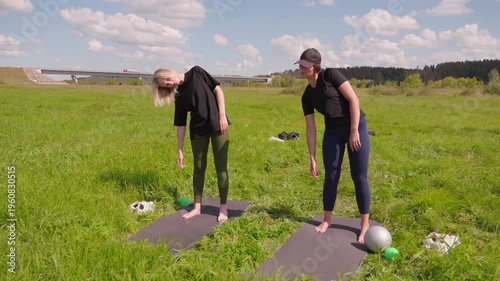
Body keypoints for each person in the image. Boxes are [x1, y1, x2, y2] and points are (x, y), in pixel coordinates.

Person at [295, 48, 371, 243]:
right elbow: (310, 128)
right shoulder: (306, 96)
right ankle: (327, 220)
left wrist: (354, 131)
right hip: (333, 132)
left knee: (359, 177)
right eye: (300, 65)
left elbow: (354, 99)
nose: (301, 68)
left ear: (316, 67)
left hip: (356, 126)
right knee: (331, 175)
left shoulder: (331, 75)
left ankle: (364, 225)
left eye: (305, 66)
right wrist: (312, 157)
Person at [152, 66, 230, 222]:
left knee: (221, 167)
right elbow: (180, 124)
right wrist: (180, 150)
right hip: (198, 132)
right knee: (198, 168)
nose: (170, 83)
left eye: (167, 79)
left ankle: (223, 209)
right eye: (166, 85)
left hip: (218, 126)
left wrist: (222, 116)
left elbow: (218, 90)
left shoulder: (197, 72)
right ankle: (197, 208)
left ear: (169, 72)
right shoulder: (179, 96)